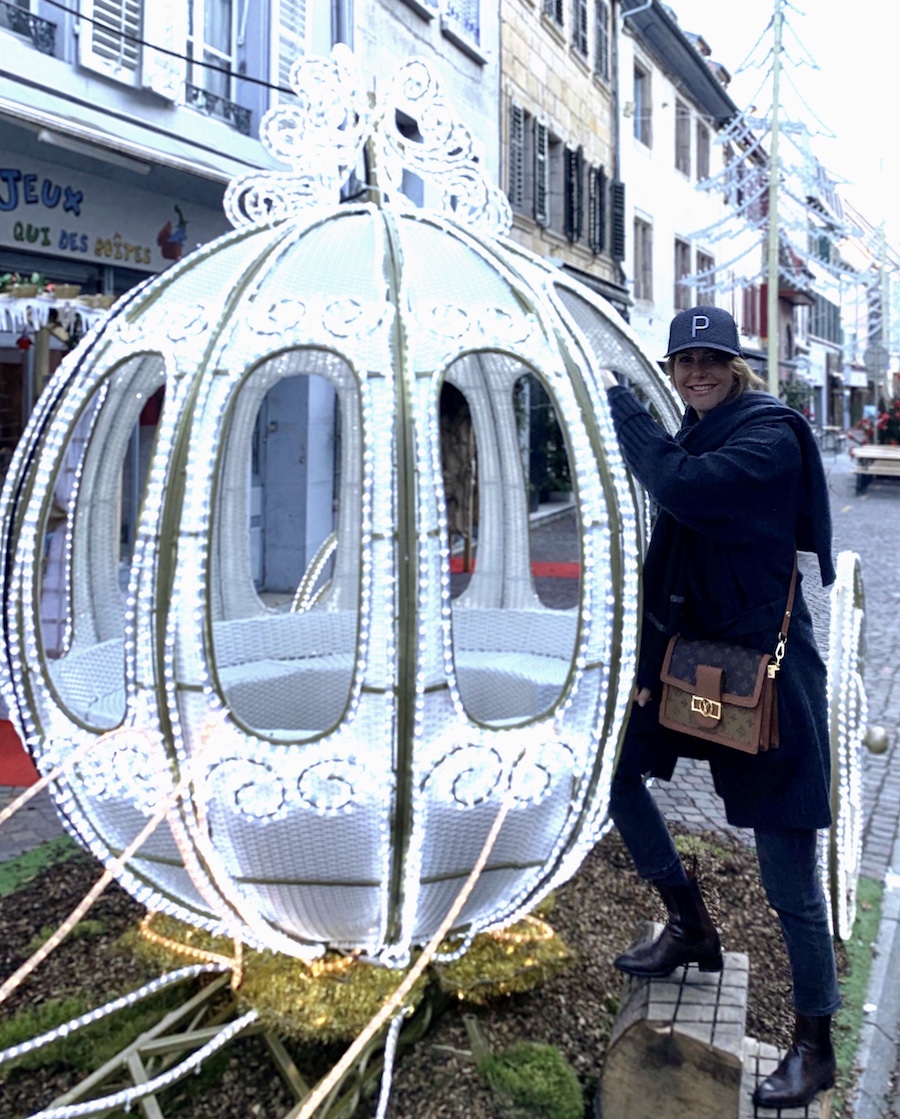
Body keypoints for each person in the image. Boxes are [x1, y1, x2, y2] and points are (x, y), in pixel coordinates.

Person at [599, 305, 840, 1111]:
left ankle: (816, 1041)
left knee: (787, 871)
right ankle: (689, 920)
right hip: (691, 657)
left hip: (763, 673)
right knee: (620, 776)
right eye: (683, 361)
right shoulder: (703, 427)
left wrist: (625, 410)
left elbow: (680, 487)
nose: (696, 371)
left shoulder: (767, 438)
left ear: (737, 365)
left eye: (711, 359)